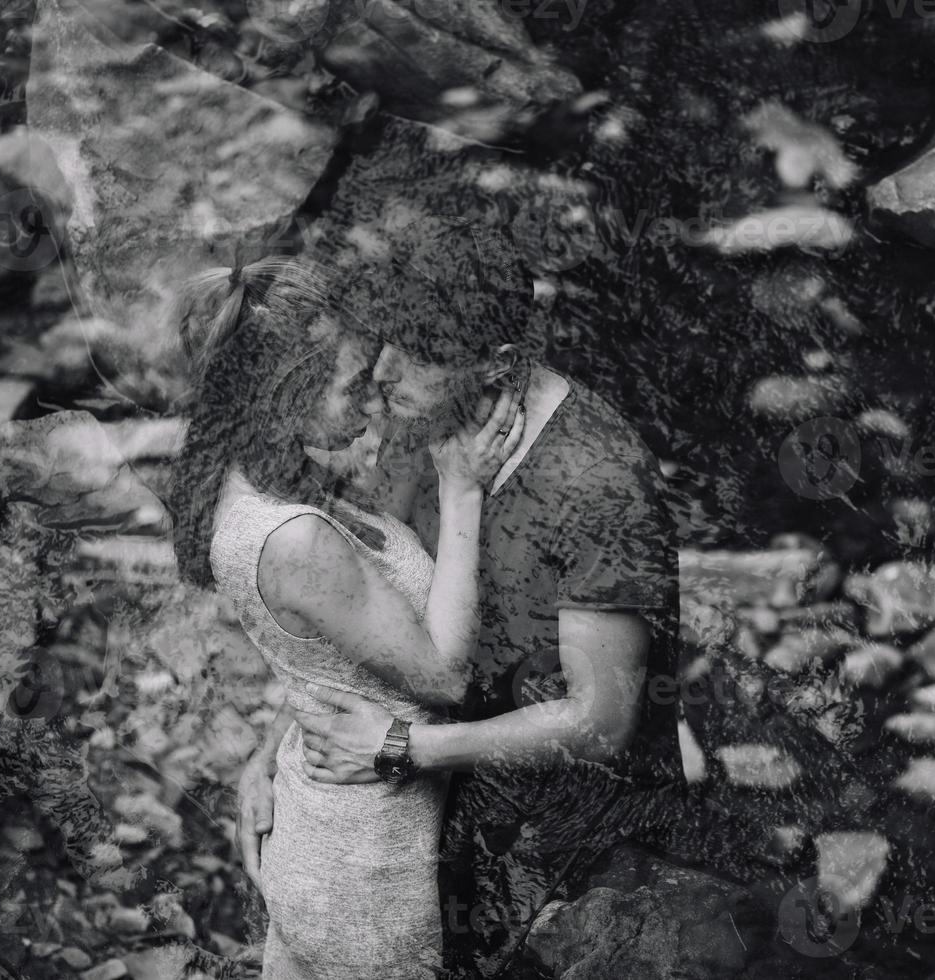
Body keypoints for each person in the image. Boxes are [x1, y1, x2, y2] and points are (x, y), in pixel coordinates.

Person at [285, 214, 686, 977]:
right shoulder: (416, 413)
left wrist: (404, 750)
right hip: (452, 792)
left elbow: (600, 723)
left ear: (500, 363)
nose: (382, 372)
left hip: (576, 838)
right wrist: (279, 756)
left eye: (420, 355)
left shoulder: (594, 481)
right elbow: (366, 597)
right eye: (384, 340)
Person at [166, 256, 524, 979]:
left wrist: (263, 757)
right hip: (368, 879)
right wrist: (462, 494)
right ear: (282, 396)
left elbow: (324, 653)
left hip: (319, 832)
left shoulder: (265, 474)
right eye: (353, 383)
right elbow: (447, 675)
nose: (374, 398)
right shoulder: (292, 536)